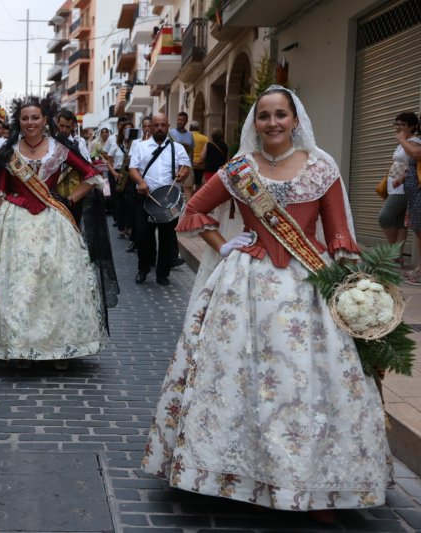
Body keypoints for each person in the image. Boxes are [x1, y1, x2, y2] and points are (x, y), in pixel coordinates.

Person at [141, 86, 391, 516]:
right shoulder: (239, 168)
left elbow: (338, 237)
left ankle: (315, 482)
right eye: (264, 116)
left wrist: (354, 290)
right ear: (253, 123)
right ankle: (229, 474)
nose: (272, 123)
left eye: (281, 115)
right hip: (245, 285)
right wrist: (224, 245)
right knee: (237, 374)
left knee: (305, 379)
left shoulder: (322, 167)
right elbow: (194, 211)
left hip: (307, 286)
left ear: (296, 120)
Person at [0, 98, 114, 370]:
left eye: (35, 118)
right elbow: (0, 192)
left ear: (44, 120)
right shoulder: (9, 152)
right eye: (25, 118)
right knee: (18, 284)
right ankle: (20, 346)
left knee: (56, 283)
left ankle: (60, 348)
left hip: (53, 222)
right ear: (20, 121)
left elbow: (92, 176)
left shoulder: (60, 149)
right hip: (15, 223)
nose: (30, 122)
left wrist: (69, 200)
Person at [128, 113, 191, 285]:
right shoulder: (140, 147)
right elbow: (132, 169)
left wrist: (182, 174)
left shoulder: (177, 148)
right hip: (145, 197)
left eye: (163, 125)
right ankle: (143, 268)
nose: (159, 128)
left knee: (167, 237)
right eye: (156, 125)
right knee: (143, 235)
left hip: (169, 199)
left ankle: (163, 273)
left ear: (168, 126)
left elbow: (186, 167)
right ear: (151, 126)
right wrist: (140, 182)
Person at [383, 112, 419, 278]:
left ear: (412, 126)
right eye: (396, 124)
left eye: (403, 124)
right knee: (399, 223)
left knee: (384, 217)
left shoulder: (414, 142)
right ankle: (396, 257)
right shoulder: (403, 142)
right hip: (396, 185)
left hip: (405, 188)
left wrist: (401, 139)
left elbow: (413, 158)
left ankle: (394, 253)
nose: (398, 127)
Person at [188, 121, 209, 199]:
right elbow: (207, 151)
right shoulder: (205, 138)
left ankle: (189, 198)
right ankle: (197, 198)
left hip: (189, 164)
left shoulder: (187, 137)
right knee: (198, 182)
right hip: (200, 165)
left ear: (190, 128)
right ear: (198, 128)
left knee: (188, 184)